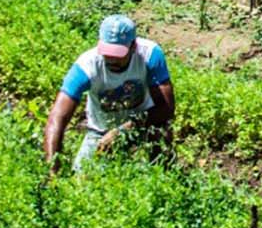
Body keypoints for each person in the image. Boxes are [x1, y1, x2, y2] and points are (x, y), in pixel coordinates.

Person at [44, 13, 175, 174]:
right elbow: (58, 117)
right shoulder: (86, 66)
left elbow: (167, 108)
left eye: (118, 54)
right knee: (82, 179)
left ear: (133, 46)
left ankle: (162, 176)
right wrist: (52, 168)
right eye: (108, 53)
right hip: (100, 131)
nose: (112, 59)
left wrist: (124, 130)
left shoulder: (150, 55)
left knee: (161, 133)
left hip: (144, 125)